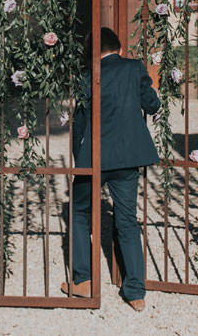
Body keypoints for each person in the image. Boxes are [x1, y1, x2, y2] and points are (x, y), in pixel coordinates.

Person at [61, 27, 161, 311]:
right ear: (117, 47)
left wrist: (79, 157)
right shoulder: (133, 68)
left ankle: (82, 282)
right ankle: (135, 292)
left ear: (94, 51)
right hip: (128, 157)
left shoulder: (87, 76)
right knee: (127, 220)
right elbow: (152, 104)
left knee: (79, 214)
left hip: (94, 158)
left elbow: (80, 122)